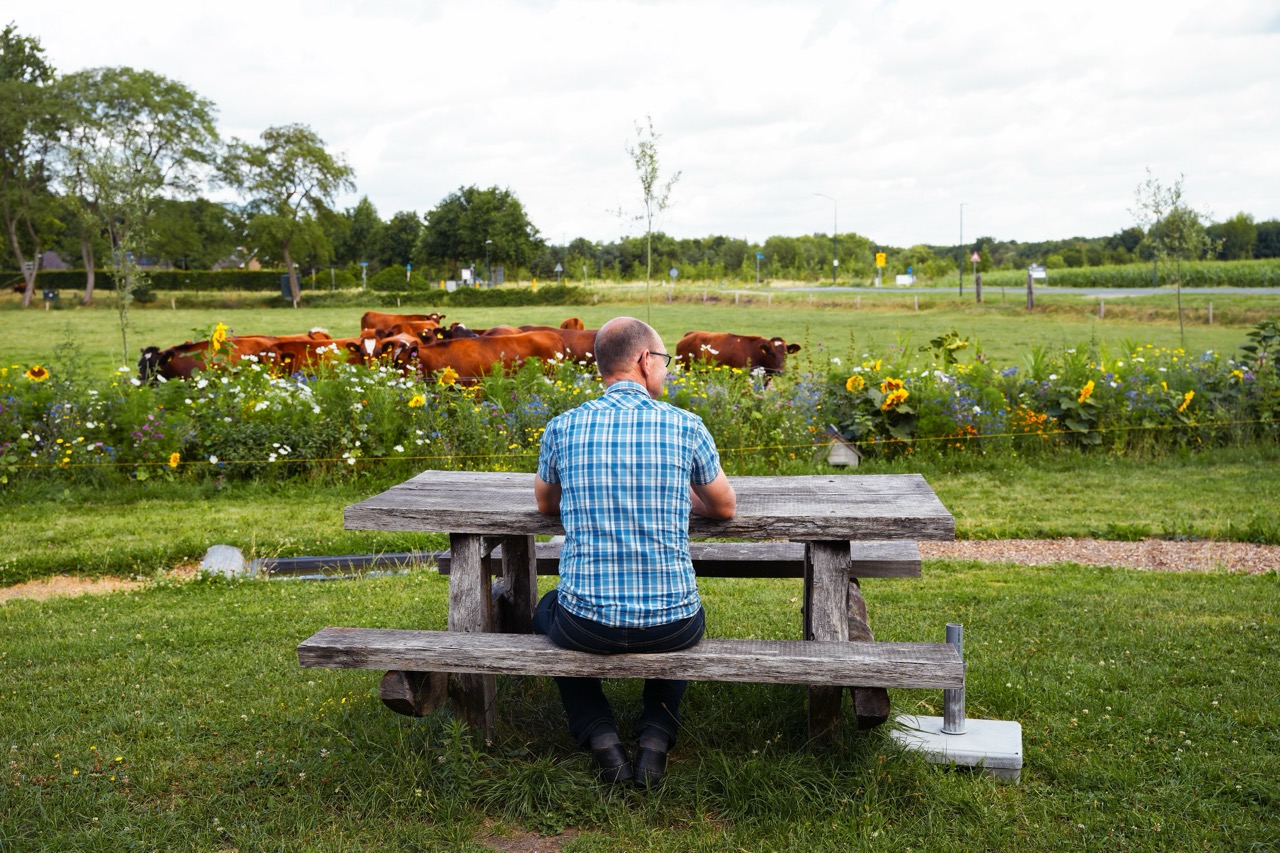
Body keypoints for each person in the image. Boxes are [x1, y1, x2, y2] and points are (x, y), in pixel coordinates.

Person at [532, 316, 736, 788]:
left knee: (547, 611)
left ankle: (600, 735)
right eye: (663, 361)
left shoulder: (564, 427)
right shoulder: (686, 426)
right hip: (672, 625)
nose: (665, 370)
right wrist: (680, 491)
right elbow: (723, 507)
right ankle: (656, 738)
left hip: (586, 625)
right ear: (645, 361)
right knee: (684, 613)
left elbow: (546, 503)